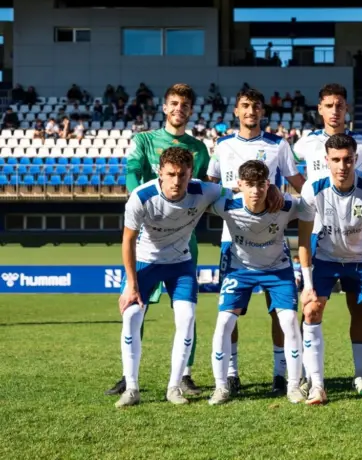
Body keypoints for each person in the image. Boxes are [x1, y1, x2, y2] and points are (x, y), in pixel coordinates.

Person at [107, 83, 210, 398]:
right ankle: (129, 376)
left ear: (191, 111)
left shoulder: (200, 149)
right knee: (137, 306)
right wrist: (147, 207)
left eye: (185, 105)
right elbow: (130, 174)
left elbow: (203, 189)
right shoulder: (144, 140)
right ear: (165, 107)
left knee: (186, 312)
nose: (179, 109)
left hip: (183, 240)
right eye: (174, 103)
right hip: (148, 238)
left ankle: (185, 374)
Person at [207, 88, 305, 396]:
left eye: (256, 106)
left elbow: (299, 185)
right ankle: (232, 373)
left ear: (263, 111)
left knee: (279, 311)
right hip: (232, 240)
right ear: (236, 111)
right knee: (231, 312)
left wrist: (280, 191)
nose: (251, 111)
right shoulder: (222, 145)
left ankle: (281, 373)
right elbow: (211, 187)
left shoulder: (278, 145)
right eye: (245, 106)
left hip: (271, 234)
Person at [292, 83, 362, 396]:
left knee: (360, 309)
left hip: (359, 235)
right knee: (311, 307)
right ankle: (312, 380)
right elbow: (286, 168)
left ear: (347, 109)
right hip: (323, 238)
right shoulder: (305, 144)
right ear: (319, 109)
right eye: (328, 105)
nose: (334, 111)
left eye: (340, 105)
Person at [114, 147, 223, 408]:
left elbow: (237, 195)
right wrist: (131, 285)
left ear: (190, 174)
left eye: (182, 175)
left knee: (186, 319)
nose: (177, 181)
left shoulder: (203, 190)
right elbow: (127, 241)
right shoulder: (141, 197)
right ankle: (131, 388)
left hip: (180, 264)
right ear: (159, 172)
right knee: (130, 317)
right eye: (171, 174)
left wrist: (272, 191)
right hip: (145, 263)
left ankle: (174, 387)